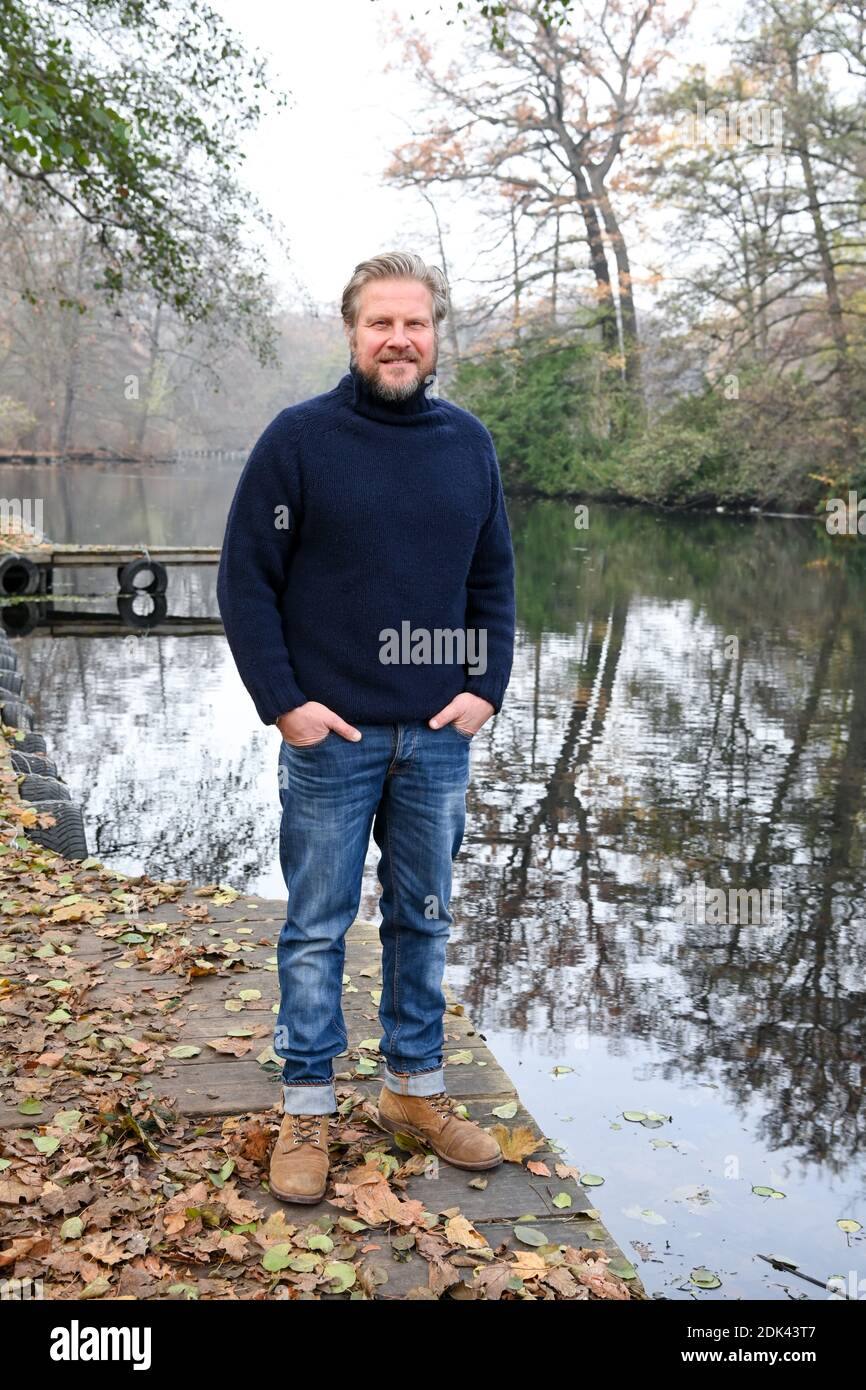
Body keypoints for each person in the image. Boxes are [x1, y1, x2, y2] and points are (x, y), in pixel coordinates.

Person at [216, 251, 516, 1204]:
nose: (399, 339)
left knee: (423, 919)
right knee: (315, 927)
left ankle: (412, 1094)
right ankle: (306, 1110)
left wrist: (488, 684)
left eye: (415, 323)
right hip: (332, 738)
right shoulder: (298, 441)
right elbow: (245, 581)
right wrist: (285, 703)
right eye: (381, 323)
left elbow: (492, 581)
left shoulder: (467, 444)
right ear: (351, 333)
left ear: (436, 336)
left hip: (435, 735)